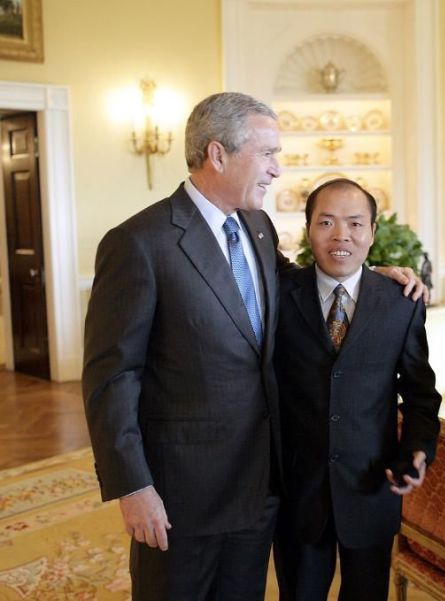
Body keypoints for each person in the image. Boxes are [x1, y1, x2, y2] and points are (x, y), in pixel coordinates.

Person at [82, 93, 425, 600]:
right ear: (218, 154)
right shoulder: (139, 242)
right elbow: (112, 377)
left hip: (262, 486)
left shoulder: (258, 227)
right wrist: (133, 486)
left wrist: (367, 277)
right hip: (185, 492)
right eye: (267, 154)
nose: (277, 170)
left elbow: (298, 287)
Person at [273, 178, 442, 601]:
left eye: (354, 223)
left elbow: (421, 394)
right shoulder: (277, 295)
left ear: (372, 232)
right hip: (298, 489)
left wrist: (418, 450)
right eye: (326, 222)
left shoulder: (401, 302)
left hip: (371, 488)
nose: (340, 235)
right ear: (309, 229)